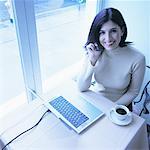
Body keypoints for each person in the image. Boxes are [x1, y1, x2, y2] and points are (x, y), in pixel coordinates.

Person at [77, 7, 146, 110]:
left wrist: (111, 108)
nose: (108, 39)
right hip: (95, 102)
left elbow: (133, 92)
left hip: (118, 106)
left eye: (113, 31)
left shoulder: (137, 58)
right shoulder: (94, 50)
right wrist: (92, 60)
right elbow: (81, 88)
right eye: (102, 32)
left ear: (122, 31)